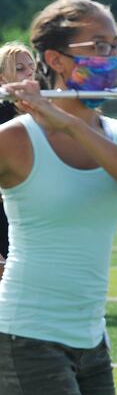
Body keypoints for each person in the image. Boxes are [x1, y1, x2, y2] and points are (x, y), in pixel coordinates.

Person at [0, 0, 117, 395]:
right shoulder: (14, 139)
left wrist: (68, 121)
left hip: (91, 335)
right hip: (26, 331)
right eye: (99, 47)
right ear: (55, 58)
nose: (111, 59)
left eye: (115, 47)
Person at [0, 42, 36, 275]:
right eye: (21, 68)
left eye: (32, 67)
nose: (30, 74)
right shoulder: (3, 112)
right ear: (2, 78)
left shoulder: (40, 111)